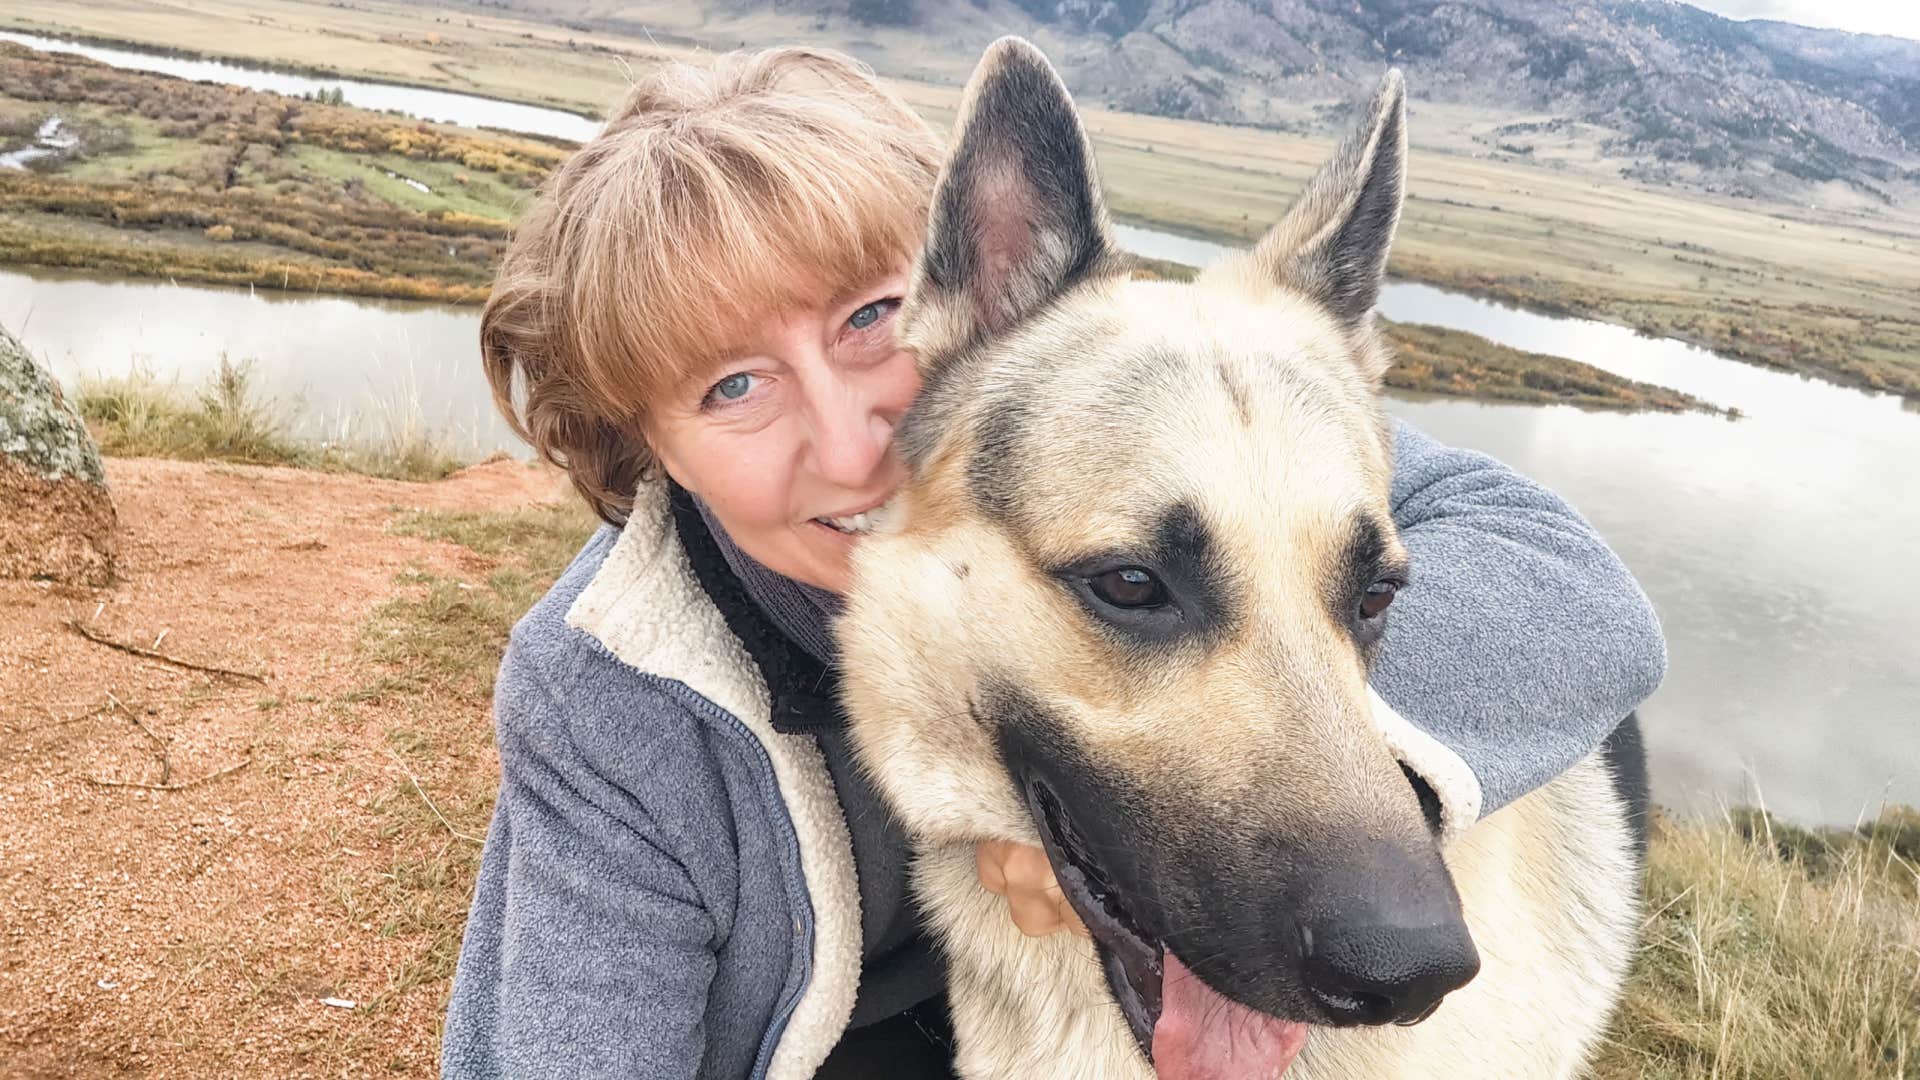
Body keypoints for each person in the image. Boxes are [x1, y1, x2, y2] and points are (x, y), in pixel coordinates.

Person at [440, 46, 1666, 1080]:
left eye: (869, 318)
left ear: (965, 287)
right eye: (733, 386)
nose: (854, 437)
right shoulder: (613, 685)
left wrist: (1378, 762)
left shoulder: (1175, 418)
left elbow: (1580, 590)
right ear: (648, 447)